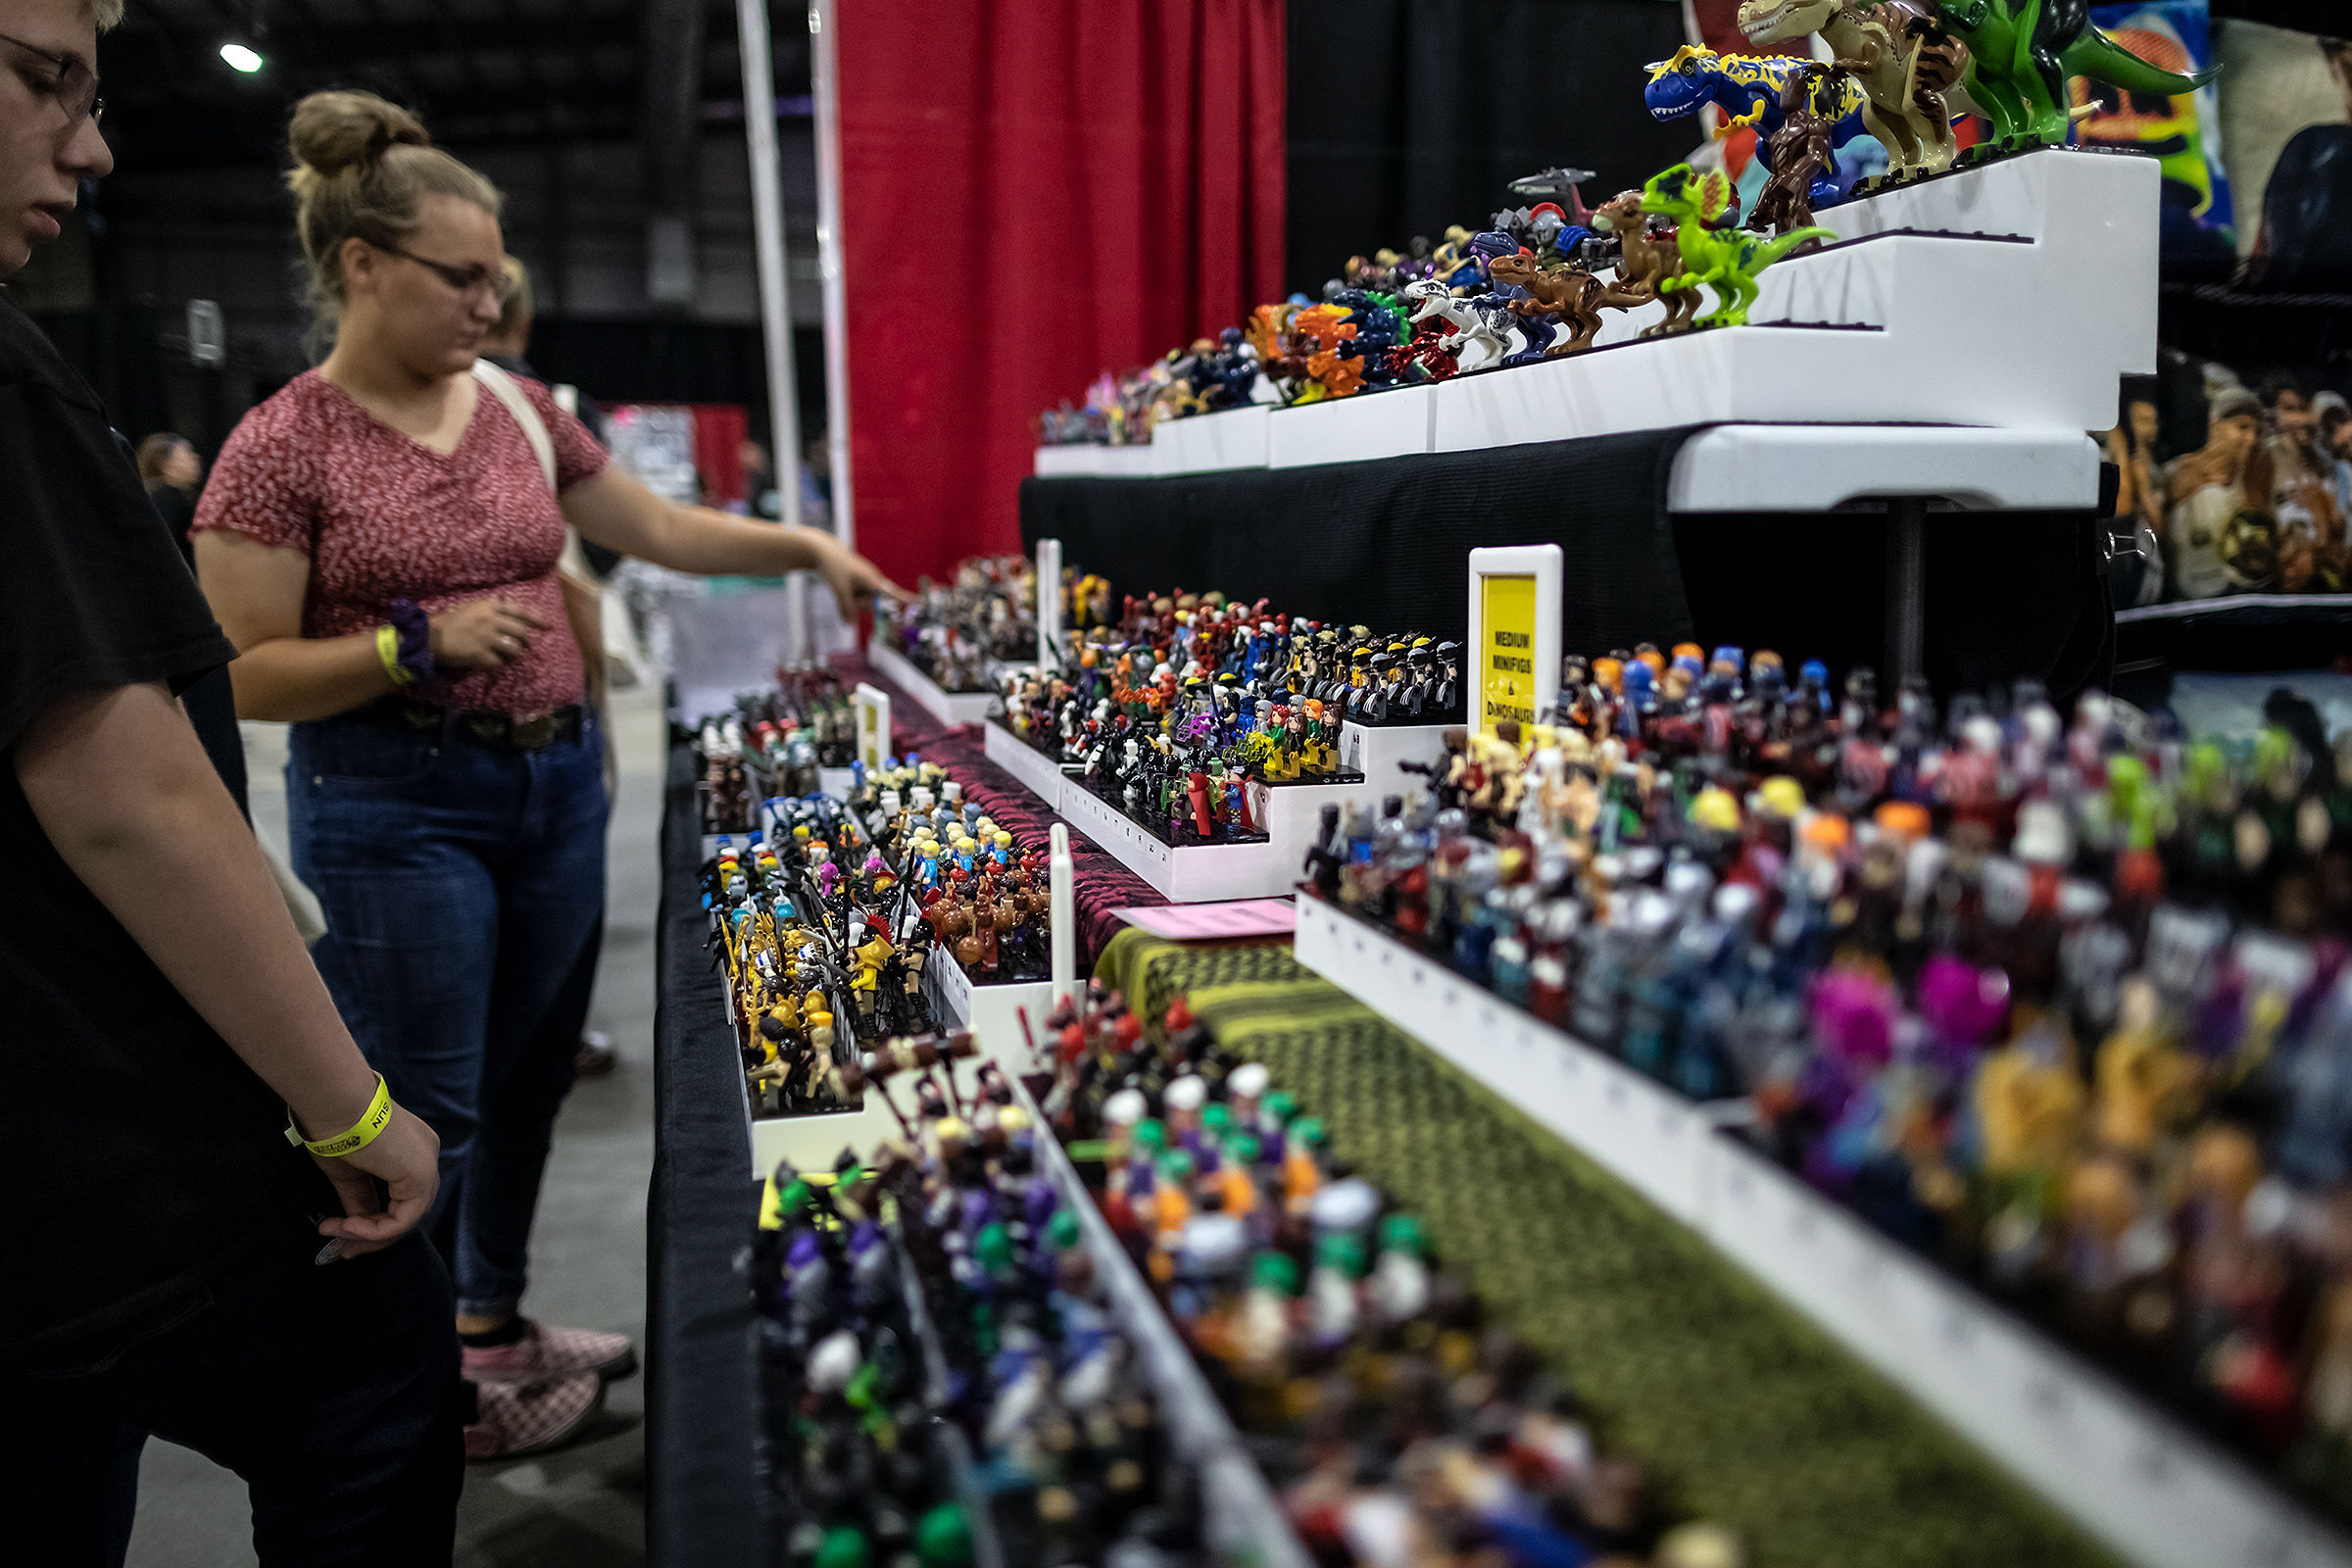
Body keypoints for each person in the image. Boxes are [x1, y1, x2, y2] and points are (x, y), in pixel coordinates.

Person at [190, 89, 906, 1457]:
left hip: (557, 789)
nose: (490, 302)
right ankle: (403, 1392)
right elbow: (240, 672)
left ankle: (487, 1328)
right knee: (425, 1113)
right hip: (399, 807)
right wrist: (411, 645)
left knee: (526, 1082)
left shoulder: (517, 408)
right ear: (363, 265)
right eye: (460, 277)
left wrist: (804, 549)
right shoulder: (284, 446)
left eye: (497, 276)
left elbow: (658, 528)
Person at [0, 1, 460, 1561]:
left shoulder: (508, 418)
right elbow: (125, 791)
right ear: (363, 267)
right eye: (43, 81)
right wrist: (348, 1107)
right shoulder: (188, 423)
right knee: (370, 1380)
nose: (91, 146)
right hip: (105, 1141)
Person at [481, 255, 616, 1081]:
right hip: (562, 683)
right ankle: (556, 1032)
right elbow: (617, 542)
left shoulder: (533, 409)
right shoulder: (559, 403)